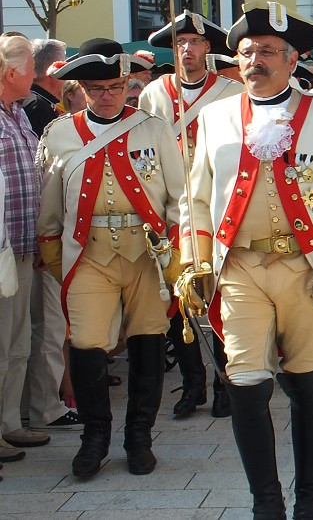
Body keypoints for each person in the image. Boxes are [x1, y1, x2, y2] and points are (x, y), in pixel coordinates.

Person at [181, 2, 313, 519]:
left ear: (293, 60)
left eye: (266, 51)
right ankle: (266, 505)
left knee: (310, 387)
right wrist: (194, 264)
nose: (253, 60)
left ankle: (310, 501)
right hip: (239, 268)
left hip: (308, 270)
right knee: (244, 383)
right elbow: (196, 200)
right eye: (245, 51)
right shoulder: (215, 118)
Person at [37, 40, 185, 477]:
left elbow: (177, 196)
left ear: (130, 84)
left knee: (149, 338)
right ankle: (94, 437)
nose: (108, 95)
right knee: (85, 344)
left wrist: (176, 253)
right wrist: (54, 254)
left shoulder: (154, 129)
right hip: (89, 253)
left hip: (144, 252)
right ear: (81, 88)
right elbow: (49, 208)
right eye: (97, 88)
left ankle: (139, 436)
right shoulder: (61, 133)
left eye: (117, 86)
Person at [140, 11, 240, 420]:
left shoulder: (230, 92)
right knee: (178, 299)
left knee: (218, 293)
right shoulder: (155, 94)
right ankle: (192, 382)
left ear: (208, 48)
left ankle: (224, 382)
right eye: (180, 42)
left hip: (215, 206)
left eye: (195, 42)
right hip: (170, 208)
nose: (188, 49)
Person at [18, 39, 81, 433]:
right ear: (55, 69)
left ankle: (41, 404)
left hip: (35, 235)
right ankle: (46, 406)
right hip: (38, 235)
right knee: (48, 326)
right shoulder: (40, 111)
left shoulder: (33, 108)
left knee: (40, 328)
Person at [0, 33, 52, 456]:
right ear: (11, 72)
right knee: (2, 342)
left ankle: (9, 423)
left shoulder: (17, 113)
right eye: (31, 68)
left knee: (17, 343)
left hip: (22, 246)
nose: (36, 75)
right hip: (1, 250)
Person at [23, 39, 67, 136]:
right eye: (64, 67)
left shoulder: (36, 100)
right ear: (53, 70)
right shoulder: (38, 107)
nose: (67, 76)